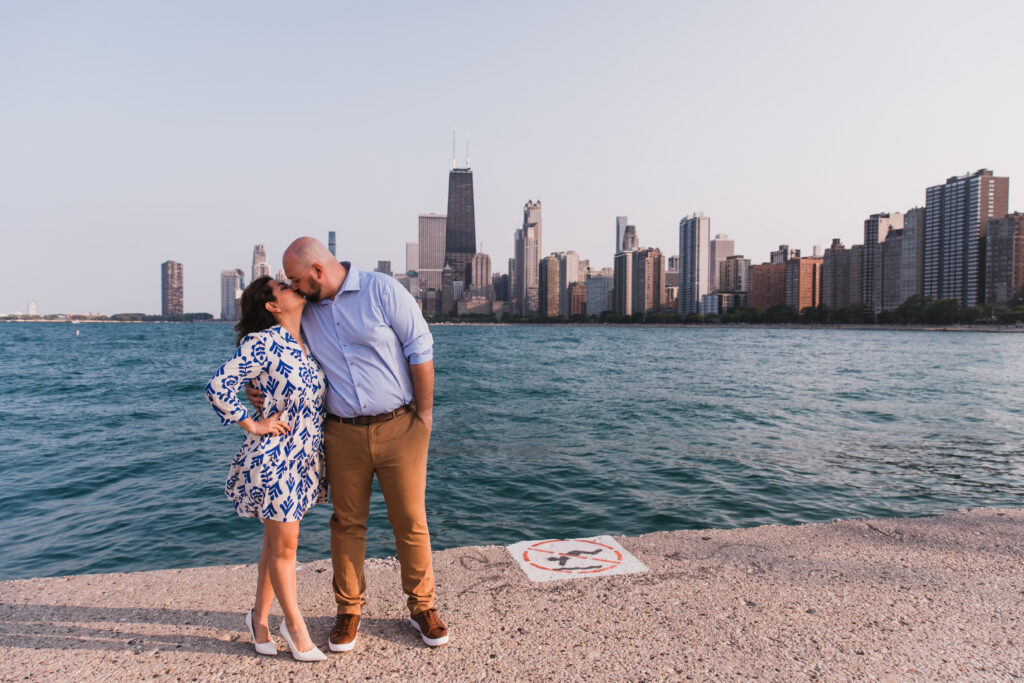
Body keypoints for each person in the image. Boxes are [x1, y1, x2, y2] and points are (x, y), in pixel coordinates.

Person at [248, 236, 448, 651]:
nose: (296, 288)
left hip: (400, 425)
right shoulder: (305, 310)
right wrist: (256, 392)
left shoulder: (382, 290)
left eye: (298, 280)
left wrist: (425, 417)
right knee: (346, 524)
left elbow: (420, 347)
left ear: (318, 271)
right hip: (340, 431)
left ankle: (422, 608)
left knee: (410, 520)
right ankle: (349, 611)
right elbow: (275, 345)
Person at [205, 276, 329, 662]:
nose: (293, 287)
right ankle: (295, 628)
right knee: (287, 546)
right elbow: (217, 386)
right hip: (274, 457)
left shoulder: (308, 341)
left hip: (304, 458)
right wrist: (252, 422)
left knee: (275, 544)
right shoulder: (262, 342)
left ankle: (258, 619)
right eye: (284, 286)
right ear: (273, 306)